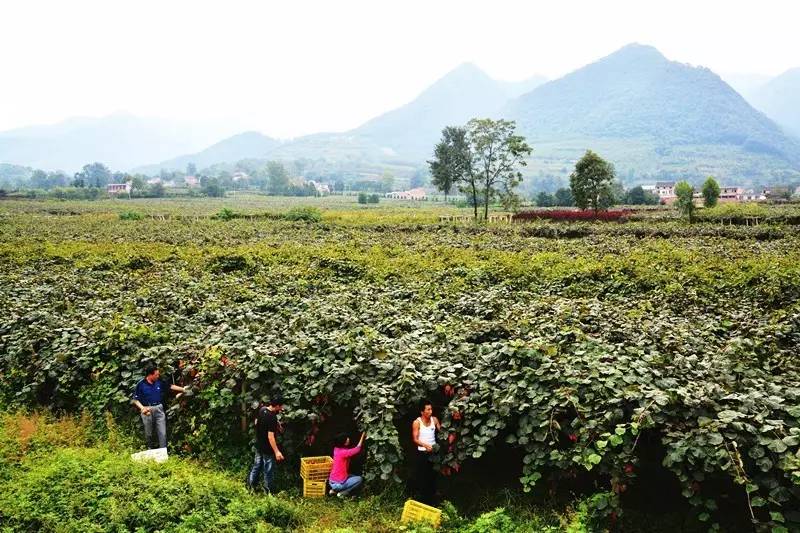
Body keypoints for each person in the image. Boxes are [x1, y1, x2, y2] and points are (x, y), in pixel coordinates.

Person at [132, 362, 186, 449]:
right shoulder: (141, 384)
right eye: (156, 375)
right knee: (149, 433)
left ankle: (163, 451)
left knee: (162, 433)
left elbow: (170, 386)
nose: (158, 376)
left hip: (159, 409)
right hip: (147, 410)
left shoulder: (159, 382)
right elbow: (135, 399)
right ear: (150, 375)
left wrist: (183, 389)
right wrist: (142, 408)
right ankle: (150, 449)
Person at [248, 396, 285, 494]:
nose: (282, 408)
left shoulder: (262, 410)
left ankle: (251, 487)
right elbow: (270, 437)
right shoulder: (272, 418)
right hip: (267, 448)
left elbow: (257, 422)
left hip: (259, 444)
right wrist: (277, 451)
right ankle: (268, 491)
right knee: (268, 470)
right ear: (277, 406)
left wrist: (276, 425)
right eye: (281, 406)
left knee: (256, 466)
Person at [412, 399, 440, 505]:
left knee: (433, 477)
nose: (430, 411)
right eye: (428, 409)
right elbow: (415, 439)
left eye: (431, 409)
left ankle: (433, 501)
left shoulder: (435, 420)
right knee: (423, 477)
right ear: (422, 412)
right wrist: (425, 445)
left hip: (434, 453)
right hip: (422, 454)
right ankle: (422, 501)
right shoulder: (417, 422)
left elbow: (442, 433)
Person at [329, 431, 366, 498]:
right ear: (343, 442)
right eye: (346, 438)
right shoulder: (344, 453)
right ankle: (343, 492)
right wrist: (363, 436)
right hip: (338, 484)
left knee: (352, 476)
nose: (348, 439)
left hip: (332, 481)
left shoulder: (336, 449)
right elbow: (357, 449)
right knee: (359, 479)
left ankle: (333, 490)